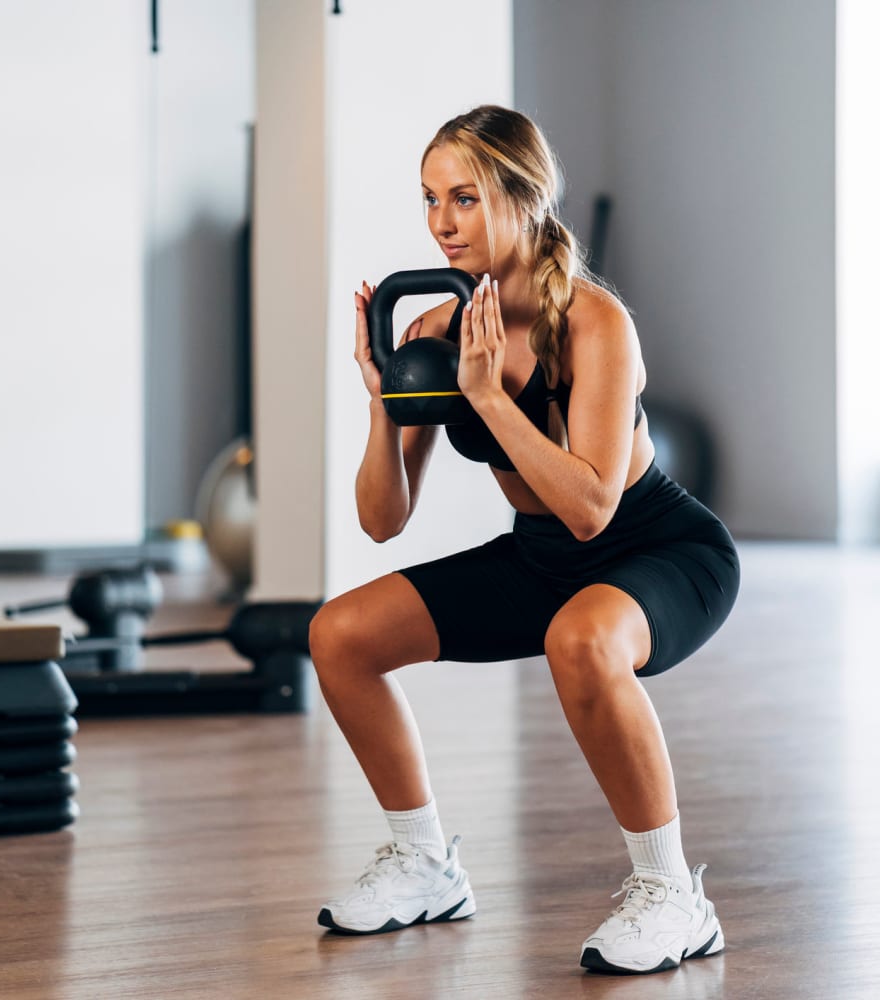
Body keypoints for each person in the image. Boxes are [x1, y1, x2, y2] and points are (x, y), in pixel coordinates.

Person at [308, 105, 740, 976]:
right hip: (544, 560)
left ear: (525, 198)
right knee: (339, 635)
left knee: (579, 637)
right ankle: (424, 863)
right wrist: (384, 404)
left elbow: (591, 509)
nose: (441, 222)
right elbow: (382, 519)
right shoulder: (437, 330)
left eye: (464, 198)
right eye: (430, 199)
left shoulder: (595, 324)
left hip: (659, 550)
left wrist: (492, 398)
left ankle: (673, 898)